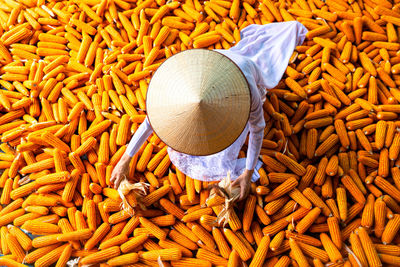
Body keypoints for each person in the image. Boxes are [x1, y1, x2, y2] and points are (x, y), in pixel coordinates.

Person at [111, 21, 308, 202]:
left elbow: (258, 129)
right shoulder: (184, 87)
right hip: (219, 65)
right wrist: (125, 159)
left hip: (246, 71)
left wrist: (247, 173)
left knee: (224, 152)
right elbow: (151, 120)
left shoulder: (248, 94)